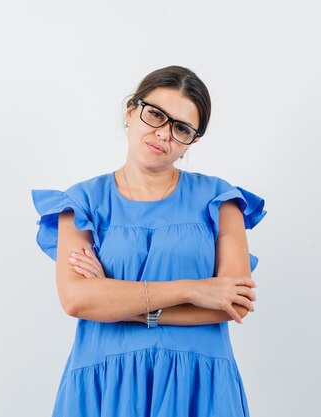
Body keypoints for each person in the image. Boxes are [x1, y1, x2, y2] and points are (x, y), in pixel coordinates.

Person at [31, 65, 267, 417]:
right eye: (155, 115)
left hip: (201, 386)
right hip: (106, 384)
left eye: (181, 128)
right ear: (131, 112)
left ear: (193, 141)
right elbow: (78, 299)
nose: (163, 134)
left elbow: (232, 303)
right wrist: (193, 289)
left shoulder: (220, 199)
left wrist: (118, 300)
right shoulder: (82, 202)